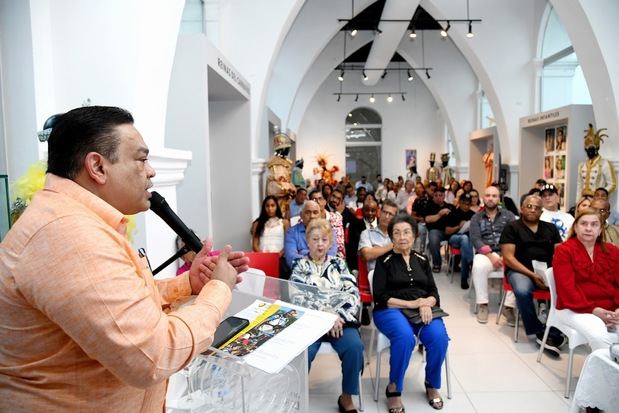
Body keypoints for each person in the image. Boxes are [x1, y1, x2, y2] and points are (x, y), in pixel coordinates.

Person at [0, 106, 249, 411]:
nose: (151, 171)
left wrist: (188, 283)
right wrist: (218, 290)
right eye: (142, 159)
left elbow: (116, 303)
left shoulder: (75, 222)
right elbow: (154, 356)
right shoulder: (68, 236)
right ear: (98, 167)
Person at [372, 214, 449, 412]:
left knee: (439, 337)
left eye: (406, 232)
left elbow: (434, 293)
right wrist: (413, 303)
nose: (402, 237)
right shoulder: (384, 261)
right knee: (405, 338)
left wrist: (425, 302)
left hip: (421, 308)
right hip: (390, 309)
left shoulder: (422, 260)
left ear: (414, 235)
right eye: (396, 233)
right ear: (391, 238)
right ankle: (394, 389)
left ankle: (431, 384)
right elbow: (380, 297)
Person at [290, 219, 364, 413]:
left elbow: (352, 294)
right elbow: (297, 298)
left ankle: (346, 396)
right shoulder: (300, 266)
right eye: (315, 239)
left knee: (355, 347)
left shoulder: (339, 264)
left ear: (330, 242)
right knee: (301, 352)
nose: (320, 244)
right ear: (307, 242)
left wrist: (336, 315)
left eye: (324, 239)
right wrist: (326, 315)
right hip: (311, 323)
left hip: (339, 322)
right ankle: (294, 394)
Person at [500, 194, 565, 357]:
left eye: (537, 207)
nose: (533, 210)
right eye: (529, 206)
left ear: (541, 212)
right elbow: (508, 257)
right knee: (522, 291)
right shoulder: (512, 227)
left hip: (547, 271)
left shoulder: (550, 228)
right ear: (522, 208)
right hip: (520, 270)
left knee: (566, 288)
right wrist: (532, 275)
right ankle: (539, 331)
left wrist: (551, 274)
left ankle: (557, 330)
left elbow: (560, 253)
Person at [552, 208, 619, 350]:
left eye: (594, 224)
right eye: (584, 223)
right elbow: (566, 290)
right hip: (573, 308)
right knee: (599, 336)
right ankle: (604, 372)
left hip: (611, 309)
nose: (588, 228)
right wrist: (594, 310)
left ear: (600, 229)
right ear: (575, 227)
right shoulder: (564, 251)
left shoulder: (612, 251)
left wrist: (618, 309)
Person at [469, 185, 517, 324]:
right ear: (483, 198)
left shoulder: (509, 216)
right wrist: (491, 256)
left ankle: (509, 307)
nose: (491, 198)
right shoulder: (476, 218)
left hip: (506, 253)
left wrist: (506, 255)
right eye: (488, 195)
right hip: (485, 254)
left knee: (518, 266)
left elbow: (514, 237)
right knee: (478, 265)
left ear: (499, 199)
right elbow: (475, 239)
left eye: (494, 196)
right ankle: (483, 304)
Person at [284, 200, 338, 271]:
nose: (312, 216)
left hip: (325, 272)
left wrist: (303, 253)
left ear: (320, 215)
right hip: (302, 272)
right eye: (307, 212)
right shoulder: (292, 232)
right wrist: (317, 258)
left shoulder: (329, 231)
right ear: (301, 215)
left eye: (315, 212)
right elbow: (291, 258)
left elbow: (331, 255)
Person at [576, 124, 616, 200]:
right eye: (587, 148)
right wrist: (578, 202)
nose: (589, 150)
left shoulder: (605, 164)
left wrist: (600, 195)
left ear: (597, 148)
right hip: (584, 201)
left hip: (598, 201)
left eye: (592, 148)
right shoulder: (581, 165)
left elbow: (612, 184)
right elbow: (579, 185)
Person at [445, 193, 475, 289]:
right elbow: (447, 231)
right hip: (454, 238)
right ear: (460, 202)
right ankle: (472, 262)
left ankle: (464, 278)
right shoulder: (453, 213)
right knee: (464, 239)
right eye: (464, 203)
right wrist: (459, 226)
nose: (466, 206)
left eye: (468, 204)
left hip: (469, 240)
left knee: (466, 243)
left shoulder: (473, 215)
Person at [358, 199, 398, 272]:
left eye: (390, 214)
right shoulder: (366, 234)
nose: (386, 216)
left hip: (395, 275)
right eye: (385, 212)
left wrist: (376, 250)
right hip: (375, 275)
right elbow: (367, 255)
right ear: (379, 212)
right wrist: (393, 245)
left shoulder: (398, 236)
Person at [424, 187, 456, 272]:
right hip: (437, 232)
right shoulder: (429, 206)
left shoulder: (450, 207)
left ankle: (455, 264)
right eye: (436, 195)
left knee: (462, 237)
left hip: (451, 231)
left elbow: (456, 221)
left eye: (440, 195)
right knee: (433, 235)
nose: (438, 197)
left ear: (444, 196)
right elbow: (427, 219)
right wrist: (439, 214)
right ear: (433, 196)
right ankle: (437, 264)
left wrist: (454, 228)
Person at [309, 189, 345, 258]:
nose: (318, 202)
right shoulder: (305, 219)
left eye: (320, 199)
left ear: (325, 201)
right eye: (314, 200)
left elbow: (339, 245)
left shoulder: (336, 218)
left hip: (335, 257)